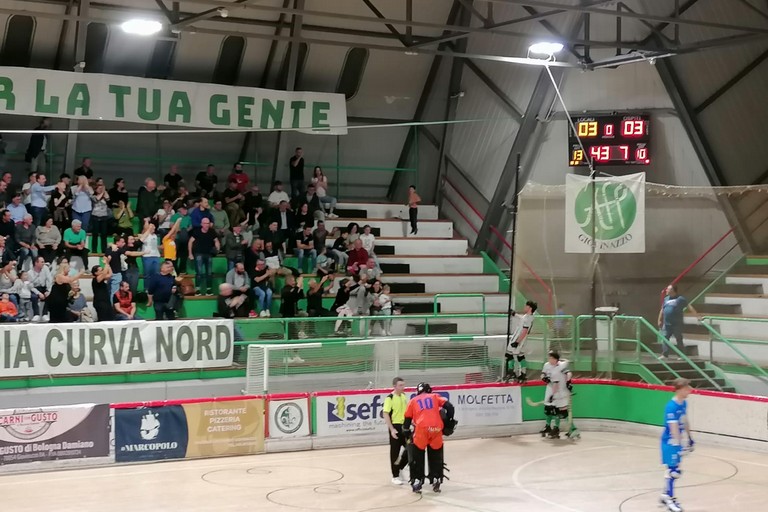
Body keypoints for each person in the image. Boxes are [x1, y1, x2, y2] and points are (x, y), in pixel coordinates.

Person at [403, 382, 455, 494]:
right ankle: (436, 479)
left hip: (421, 429)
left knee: (417, 455)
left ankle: (417, 480)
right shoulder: (435, 397)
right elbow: (450, 407)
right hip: (436, 429)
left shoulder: (413, 401)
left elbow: (407, 419)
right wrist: (449, 421)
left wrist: (406, 432)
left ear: (418, 391)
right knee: (436, 454)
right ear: (429, 390)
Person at [660, 378, 694, 512]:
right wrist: (679, 446)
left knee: (673, 470)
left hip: (676, 441)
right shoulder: (671, 406)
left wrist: (690, 437)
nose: (690, 390)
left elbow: (684, 420)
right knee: (673, 471)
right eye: (687, 388)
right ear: (680, 389)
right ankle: (669, 499)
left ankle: (665, 494)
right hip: (670, 441)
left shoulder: (683, 403)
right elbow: (673, 428)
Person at [540, 351, 578, 440]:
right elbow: (543, 374)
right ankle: (552, 428)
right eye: (549, 358)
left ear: (555, 359)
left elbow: (568, 373)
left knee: (562, 413)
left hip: (560, 392)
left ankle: (573, 429)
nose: (549, 360)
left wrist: (568, 382)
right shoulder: (547, 365)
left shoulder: (560, 366)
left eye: (551, 358)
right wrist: (544, 378)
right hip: (552, 390)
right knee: (550, 410)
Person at [658, 284, 699, 359]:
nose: (666, 290)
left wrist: (697, 316)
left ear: (673, 290)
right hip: (667, 323)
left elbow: (689, 307)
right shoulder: (666, 299)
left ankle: (681, 355)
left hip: (676, 323)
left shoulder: (680, 299)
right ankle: (665, 354)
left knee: (678, 339)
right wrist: (659, 319)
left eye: (668, 289)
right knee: (664, 338)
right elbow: (662, 310)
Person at [503, 300, 537, 383]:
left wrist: (517, 342)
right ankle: (523, 373)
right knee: (520, 356)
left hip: (518, 339)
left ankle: (511, 372)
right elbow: (522, 318)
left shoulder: (528, 319)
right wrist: (515, 314)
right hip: (522, 340)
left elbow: (524, 331)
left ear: (530, 308)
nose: (524, 307)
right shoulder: (528, 316)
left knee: (509, 354)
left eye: (526, 306)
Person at [383, 376, 409, 485]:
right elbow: (386, 413)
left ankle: (400, 467)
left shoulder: (403, 396)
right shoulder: (389, 398)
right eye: (400, 385)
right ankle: (395, 475)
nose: (403, 387)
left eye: (403, 385)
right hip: (396, 427)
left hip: (405, 426)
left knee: (410, 448)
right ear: (395, 386)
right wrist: (392, 429)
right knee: (395, 452)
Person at [188, 218, 219, 295]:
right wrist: (190, 254)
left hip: (208, 254)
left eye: (208, 223)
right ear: (201, 224)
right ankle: (197, 289)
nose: (207, 225)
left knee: (209, 273)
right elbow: (190, 242)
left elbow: (216, 241)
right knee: (199, 273)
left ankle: (209, 289)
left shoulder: (212, 232)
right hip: (199, 253)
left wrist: (217, 248)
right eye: (205, 223)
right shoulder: (197, 231)